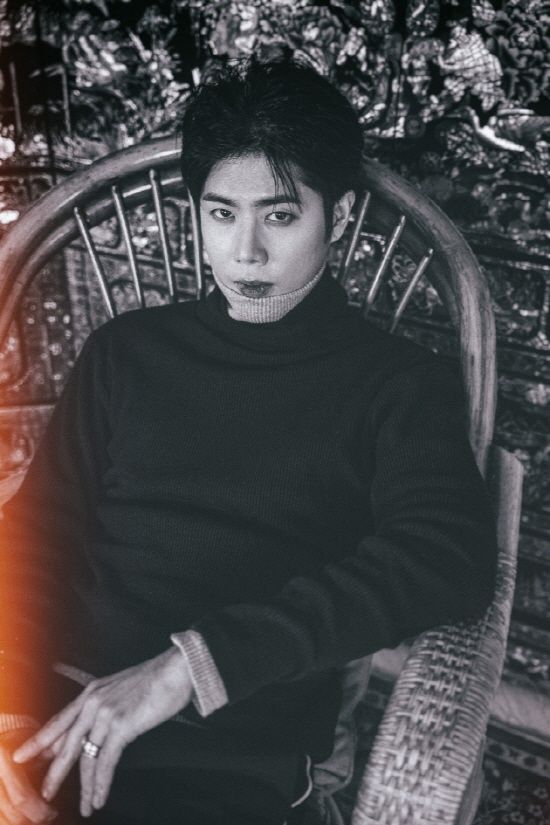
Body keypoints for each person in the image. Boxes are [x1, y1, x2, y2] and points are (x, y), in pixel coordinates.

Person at [0, 58, 497, 825]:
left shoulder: (397, 382)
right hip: (55, 709)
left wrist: (190, 666)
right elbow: (37, 533)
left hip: (228, 750)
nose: (246, 253)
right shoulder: (126, 353)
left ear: (337, 214)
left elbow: (447, 558)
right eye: (221, 214)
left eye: (280, 215)